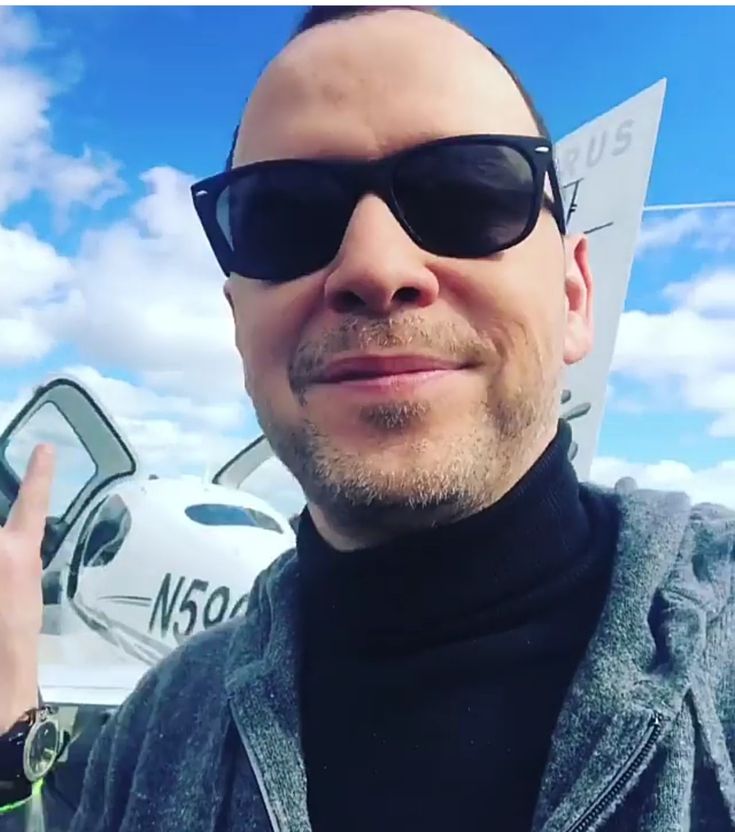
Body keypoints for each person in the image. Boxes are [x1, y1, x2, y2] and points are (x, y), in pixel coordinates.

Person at [1, 6, 734, 831]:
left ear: (573, 298)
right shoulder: (150, 735)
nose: (374, 267)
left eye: (467, 192)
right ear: (240, 327)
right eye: (282, 215)